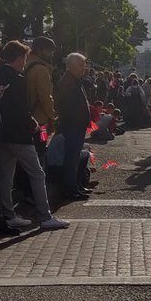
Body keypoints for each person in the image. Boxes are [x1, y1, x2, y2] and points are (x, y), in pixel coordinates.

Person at [0, 40, 69, 231]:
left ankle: (8, 214)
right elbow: (22, 108)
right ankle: (45, 216)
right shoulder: (19, 79)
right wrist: (36, 124)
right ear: (20, 58)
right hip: (21, 135)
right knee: (37, 173)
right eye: (24, 58)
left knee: (5, 175)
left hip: (2, 133)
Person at [55, 52, 92, 201]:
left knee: (74, 158)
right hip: (72, 126)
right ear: (74, 66)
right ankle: (70, 189)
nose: (85, 68)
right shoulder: (69, 81)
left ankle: (74, 186)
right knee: (71, 159)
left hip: (76, 125)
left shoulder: (74, 80)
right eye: (82, 65)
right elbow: (67, 105)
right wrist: (77, 120)